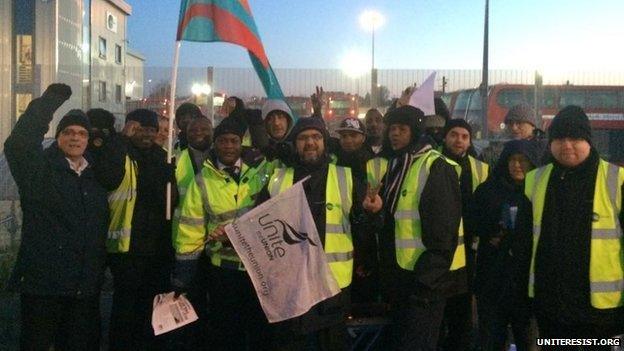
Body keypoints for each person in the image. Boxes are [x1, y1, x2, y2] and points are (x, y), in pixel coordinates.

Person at [256, 117, 375, 350]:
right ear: (295, 144)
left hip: (333, 287)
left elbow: (363, 230)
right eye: (303, 138)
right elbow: (258, 224)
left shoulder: (346, 177)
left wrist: (372, 213)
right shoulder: (278, 179)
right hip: (291, 285)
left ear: (324, 142)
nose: (310, 143)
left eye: (316, 137)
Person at [4, 84, 109, 350]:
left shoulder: (96, 176)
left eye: (82, 133)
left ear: (88, 139)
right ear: (58, 136)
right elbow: (18, 144)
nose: (75, 138)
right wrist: (48, 104)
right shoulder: (39, 170)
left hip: (83, 287)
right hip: (44, 286)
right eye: (69, 132)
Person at [515, 105, 624, 346]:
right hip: (549, 306)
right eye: (559, 138)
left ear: (588, 141)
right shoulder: (535, 180)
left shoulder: (616, 179)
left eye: (575, 137)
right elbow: (523, 245)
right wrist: (523, 298)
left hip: (599, 312)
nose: (566, 145)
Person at [173, 117, 272, 350]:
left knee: (261, 330)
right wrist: (183, 276)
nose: (228, 146)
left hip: (260, 267)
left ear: (241, 144)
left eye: (233, 141)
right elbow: (191, 228)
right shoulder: (202, 181)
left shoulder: (263, 170)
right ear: (214, 144)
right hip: (223, 271)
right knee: (227, 332)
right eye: (223, 141)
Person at [371, 105, 464, 351]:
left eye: (402, 129)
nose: (395, 134)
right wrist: (378, 210)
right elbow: (396, 221)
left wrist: (425, 282)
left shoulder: (435, 166)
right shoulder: (397, 165)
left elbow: (444, 232)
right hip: (402, 280)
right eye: (391, 129)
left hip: (423, 286)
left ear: (415, 132)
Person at [105, 108, 176, 350]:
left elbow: (170, 201)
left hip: (158, 246)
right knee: (126, 308)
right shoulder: (121, 151)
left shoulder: (163, 157)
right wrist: (122, 139)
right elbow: (109, 177)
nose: (147, 134)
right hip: (128, 247)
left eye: (151, 129)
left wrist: (168, 182)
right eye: (140, 128)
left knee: (155, 307)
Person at [473, 140, 542, 351]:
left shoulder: (539, 192)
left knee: (528, 341)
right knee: (491, 340)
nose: (517, 165)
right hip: (493, 281)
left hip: (525, 285)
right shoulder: (488, 190)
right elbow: (472, 221)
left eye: (522, 160)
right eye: (512, 159)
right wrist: (489, 233)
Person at [438, 118, 489, 351]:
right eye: (454, 135)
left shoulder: (481, 168)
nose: (459, 140)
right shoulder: (432, 164)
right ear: (445, 137)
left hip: (467, 251)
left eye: (464, 136)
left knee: (462, 311)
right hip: (437, 249)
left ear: (469, 141)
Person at [261, 99, 296, 164]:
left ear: (288, 121)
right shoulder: (259, 153)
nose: (276, 123)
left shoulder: (299, 148)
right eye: (270, 119)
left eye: (281, 117)